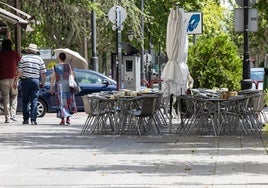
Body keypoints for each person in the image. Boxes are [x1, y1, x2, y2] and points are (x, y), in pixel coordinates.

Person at [13, 44, 46, 125]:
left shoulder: (23, 58)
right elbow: (43, 73)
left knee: (25, 101)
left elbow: (19, 72)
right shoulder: (40, 59)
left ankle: (26, 119)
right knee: (34, 100)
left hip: (25, 81)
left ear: (28, 50)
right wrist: (43, 82)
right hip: (35, 81)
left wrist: (15, 82)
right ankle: (33, 119)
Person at [50, 52, 77, 125]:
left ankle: (62, 120)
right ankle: (68, 118)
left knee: (61, 102)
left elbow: (53, 77)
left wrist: (51, 86)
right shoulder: (69, 66)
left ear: (59, 57)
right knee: (68, 101)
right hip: (68, 86)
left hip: (59, 86)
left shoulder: (55, 66)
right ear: (65, 58)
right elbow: (72, 76)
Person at [0, 39, 21, 123]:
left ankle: (7, 117)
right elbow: (20, 62)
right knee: (14, 96)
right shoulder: (14, 53)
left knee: (6, 98)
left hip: (2, 79)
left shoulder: (0, 54)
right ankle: (13, 114)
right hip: (13, 78)